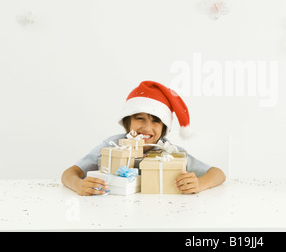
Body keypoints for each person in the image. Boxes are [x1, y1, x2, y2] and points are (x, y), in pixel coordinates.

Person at [61, 80, 226, 196]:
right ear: (128, 122)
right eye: (140, 118)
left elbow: (218, 174)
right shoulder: (112, 146)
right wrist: (79, 185)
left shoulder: (170, 152)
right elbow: (69, 174)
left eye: (156, 121)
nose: (147, 127)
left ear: (163, 128)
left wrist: (199, 184)